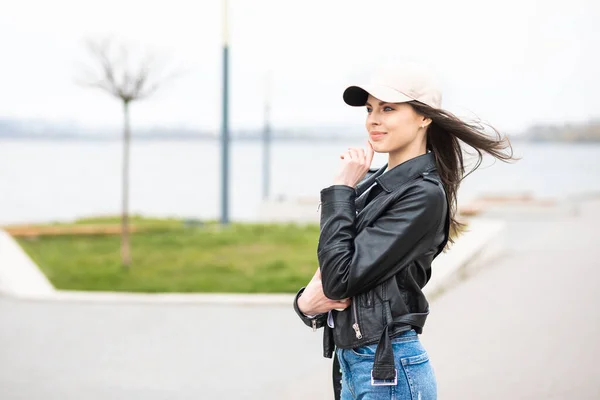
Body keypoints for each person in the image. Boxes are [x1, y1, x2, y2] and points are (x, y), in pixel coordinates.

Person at [293, 62, 514, 399]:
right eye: (369, 109)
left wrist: (340, 188)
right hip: (355, 363)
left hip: (387, 369)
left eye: (389, 109)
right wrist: (306, 304)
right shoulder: (372, 185)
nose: (373, 120)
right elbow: (333, 268)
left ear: (424, 117)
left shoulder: (422, 195)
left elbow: (339, 279)